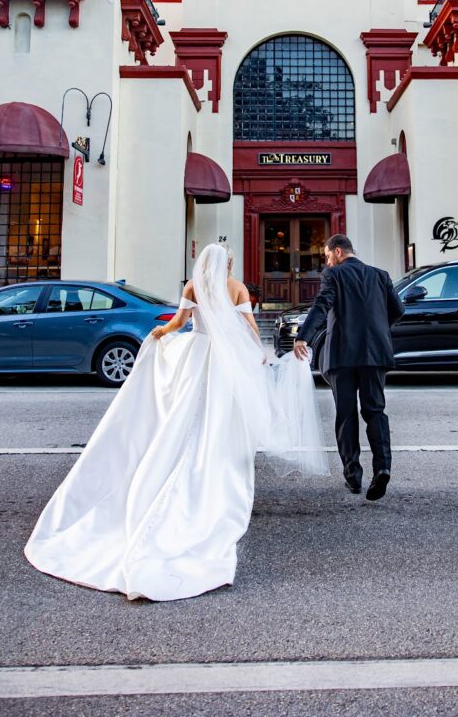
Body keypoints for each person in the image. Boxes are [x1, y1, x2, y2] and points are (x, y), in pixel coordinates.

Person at [25, 243, 327, 602]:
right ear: (228, 264)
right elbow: (248, 327)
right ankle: (214, 458)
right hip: (225, 362)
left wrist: (159, 336)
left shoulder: (192, 287)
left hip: (197, 355)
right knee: (219, 413)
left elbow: (178, 323)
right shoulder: (238, 288)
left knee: (185, 409)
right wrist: (258, 355)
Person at [294, 234, 403, 501]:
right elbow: (398, 310)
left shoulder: (334, 275)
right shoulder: (381, 275)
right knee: (375, 410)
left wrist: (304, 336)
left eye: (328, 256)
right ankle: (383, 468)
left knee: (346, 415)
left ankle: (353, 477)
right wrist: (377, 328)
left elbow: (322, 305)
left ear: (339, 252)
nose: (328, 262)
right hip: (375, 353)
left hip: (342, 354)